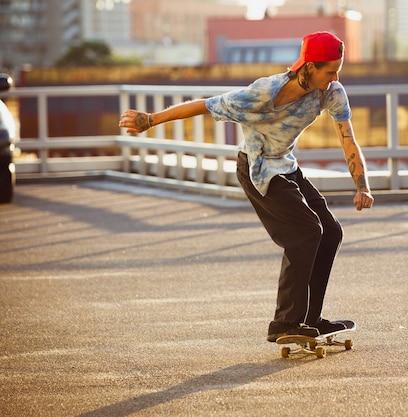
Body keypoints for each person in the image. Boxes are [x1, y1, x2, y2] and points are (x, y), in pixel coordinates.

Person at [119, 31, 374, 342]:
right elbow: (204, 105)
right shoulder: (262, 93)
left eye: (338, 69)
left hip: (285, 165)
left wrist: (362, 185)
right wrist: (150, 120)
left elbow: (348, 138)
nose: (335, 78)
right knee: (306, 232)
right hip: (257, 169)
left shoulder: (331, 92)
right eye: (330, 70)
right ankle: (284, 323)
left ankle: (310, 319)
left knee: (331, 231)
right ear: (309, 67)